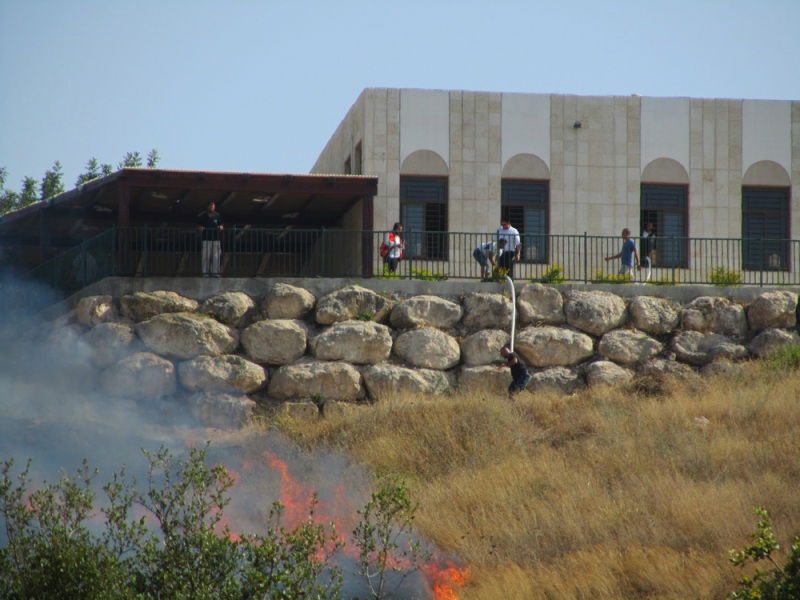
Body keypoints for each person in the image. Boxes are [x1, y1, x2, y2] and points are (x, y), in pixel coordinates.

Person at [197, 202, 224, 277]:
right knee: (205, 256)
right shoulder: (202, 215)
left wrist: (221, 227)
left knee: (216, 257)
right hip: (206, 239)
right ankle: (205, 273)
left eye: (213, 207)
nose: (212, 208)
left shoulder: (218, 215)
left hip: (216, 239)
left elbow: (221, 225)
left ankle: (215, 273)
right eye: (210, 207)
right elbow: (198, 226)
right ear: (208, 207)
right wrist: (200, 228)